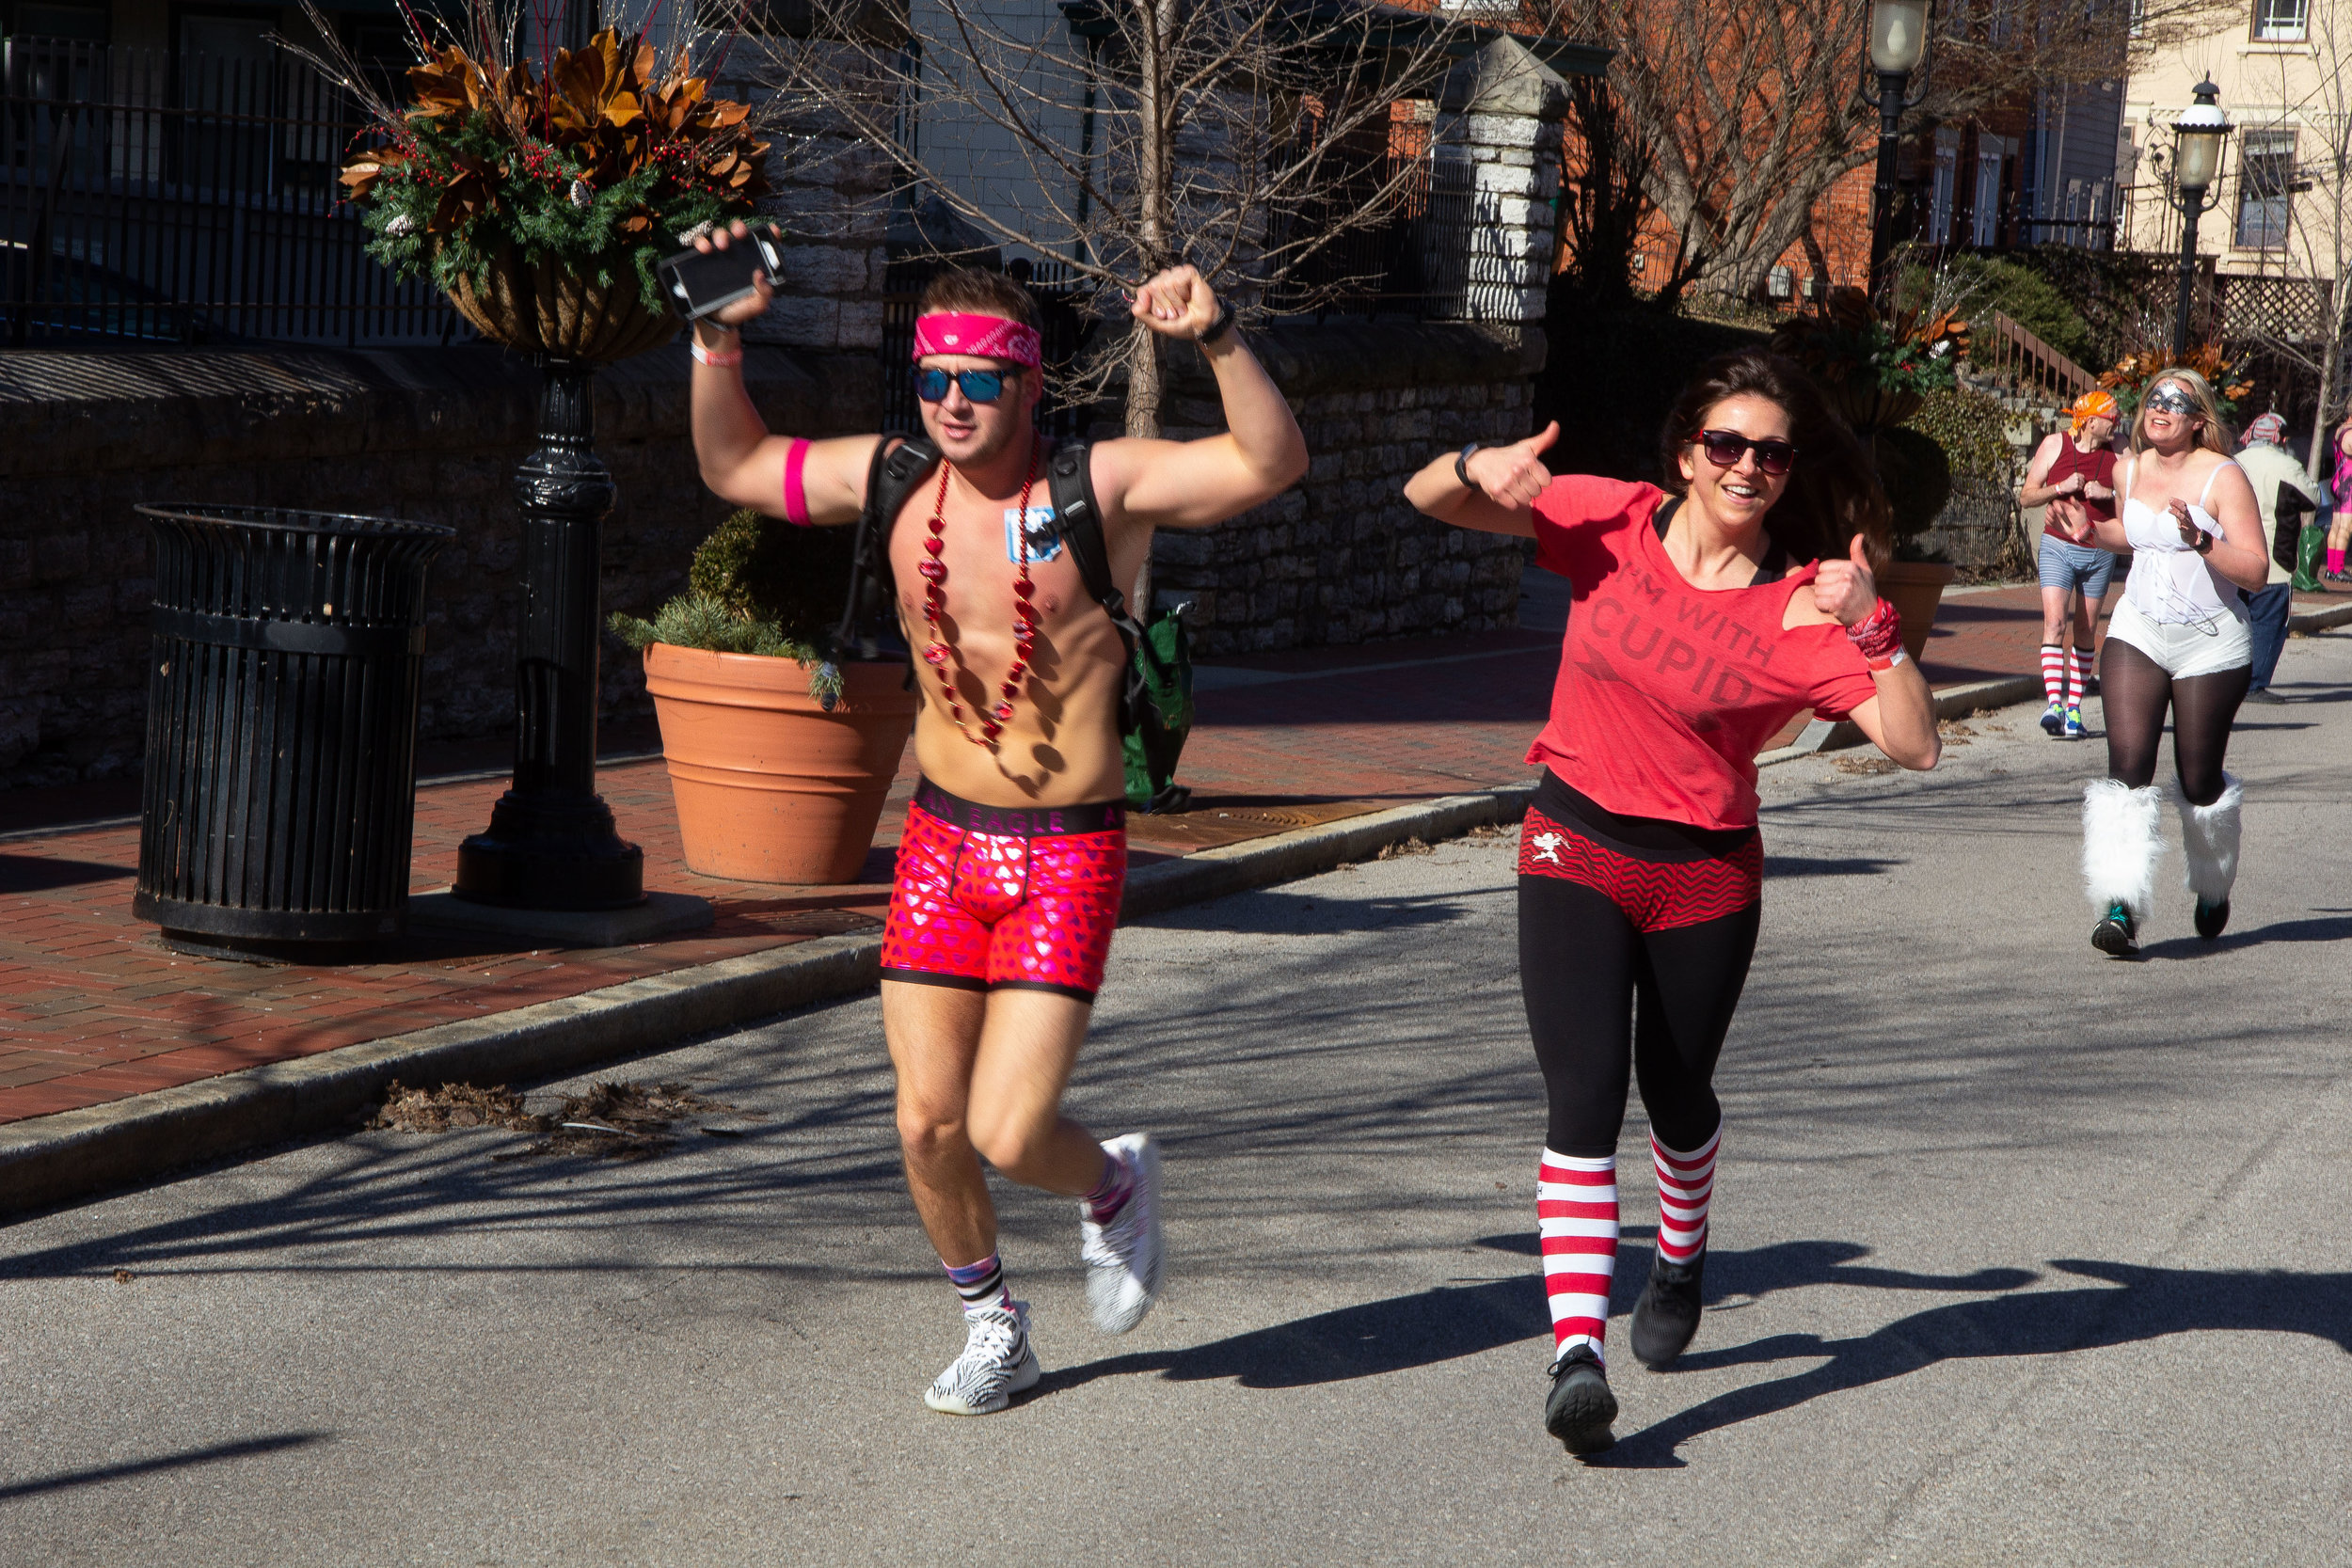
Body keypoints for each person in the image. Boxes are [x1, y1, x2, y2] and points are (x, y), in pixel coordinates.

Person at [686, 222, 1309, 1415]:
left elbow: (1269, 460)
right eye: (934, 378)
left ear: (1030, 379)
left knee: (1010, 1129)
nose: (954, 401)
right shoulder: (889, 478)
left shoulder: (1101, 484)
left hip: (1067, 850)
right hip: (941, 838)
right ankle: (994, 1323)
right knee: (926, 1123)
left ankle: (1112, 1185)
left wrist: (1218, 335)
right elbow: (734, 466)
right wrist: (715, 340)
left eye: (981, 378)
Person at [1403, 349, 1939, 1457]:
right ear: (1686, 453)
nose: (1747, 466)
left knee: (1675, 1086)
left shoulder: (1802, 606)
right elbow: (1427, 498)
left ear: (1789, 473)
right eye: (1726, 445)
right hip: (1574, 838)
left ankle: (1681, 1249)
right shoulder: (1610, 520)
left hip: (1703, 872)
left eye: (1770, 453)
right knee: (1585, 1093)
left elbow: (1915, 742)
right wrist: (1476, 462)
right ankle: (1573, 1355)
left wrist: (1875, 621)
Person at [2054, 370, 2266, 956]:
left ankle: (2213, 882)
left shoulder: (2224, 476)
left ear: (2200, 419)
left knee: (2199, 780)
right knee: (2127, 768)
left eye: (2177, 402)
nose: (2161, 409)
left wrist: (2203, 542)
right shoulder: (2131, 467)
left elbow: (2256, 569)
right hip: (2139, 631)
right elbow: (2135, 532)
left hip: (2211, 643)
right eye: (2154, 399)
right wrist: (2094, 534)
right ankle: (2119, 907)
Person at [2019, 389, 2122, 739]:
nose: (2117, 424)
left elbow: (2137, 496)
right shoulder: (2054, 445)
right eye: (2112, 418)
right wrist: (2058, 487)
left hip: (2100, 551)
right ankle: (2054, 703)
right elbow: (2026, 495)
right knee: (2054, 622)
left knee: (2086, 629)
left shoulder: (2120, 450)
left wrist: (2106, 494)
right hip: (2058, 547)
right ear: (2091, 421)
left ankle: (2074, 709)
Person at [2233, 411, 2321, 704]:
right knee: (2269, 623)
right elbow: (2313, 498)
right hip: (2273, 560)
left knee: (2236, 622)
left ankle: (2230, 680)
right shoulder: (2285, 465)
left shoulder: (2233, 462)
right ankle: (2255, 684)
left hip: (2232, 558)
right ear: (2280, 438)